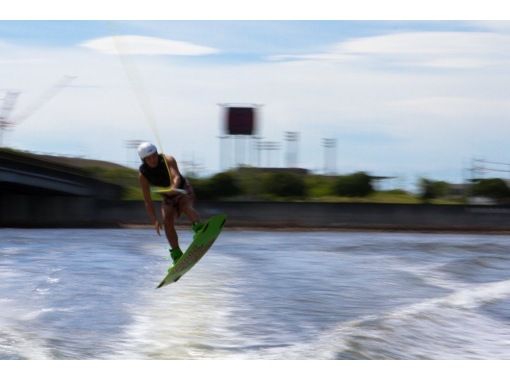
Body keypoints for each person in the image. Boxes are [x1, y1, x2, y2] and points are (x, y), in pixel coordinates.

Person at [137, 142, 203, 263]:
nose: (153, 160)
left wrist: (174, 186)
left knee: (185, 205)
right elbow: (147, 200)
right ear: (143, 160)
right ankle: (177, 254)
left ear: (157, 154)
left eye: (154, 156)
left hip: (182, 190)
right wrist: (154, 220)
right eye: (148, 158)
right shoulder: (143, 175)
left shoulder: (168, 160)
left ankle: (199, 230)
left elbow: (176, 176)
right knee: (166, 220)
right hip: (168, 197)